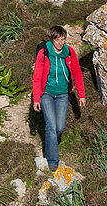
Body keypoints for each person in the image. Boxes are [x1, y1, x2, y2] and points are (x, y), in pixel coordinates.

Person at [31, 25, 86, 171]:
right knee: (51, 126)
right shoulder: (44, 53)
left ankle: (50, 144)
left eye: (63, 39)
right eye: (57, 40)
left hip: (63, 94)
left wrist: (81, 94)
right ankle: (53, 161)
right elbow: (36, 77)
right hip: (47, 94)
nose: (60, 43)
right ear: (52, 39)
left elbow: (77, 73)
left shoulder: (69, 53)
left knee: (59, 127)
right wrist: (36, 98)